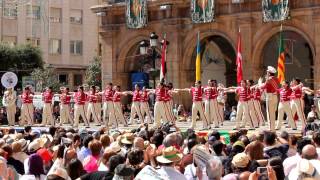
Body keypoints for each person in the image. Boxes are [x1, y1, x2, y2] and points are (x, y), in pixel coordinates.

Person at [258, 66, 279, 132]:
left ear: (269, 73)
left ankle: (271, 128)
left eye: (267, 72)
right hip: (275, 96)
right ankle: (272, 127)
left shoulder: (269, 79)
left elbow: (262, 87)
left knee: (269, 113)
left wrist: (259, 82)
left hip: (270, 97)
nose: (266, 73)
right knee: (273, 112)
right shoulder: (276, 79)